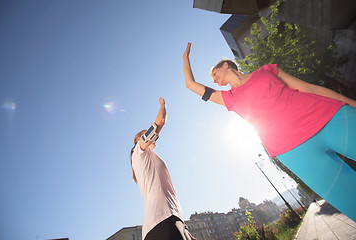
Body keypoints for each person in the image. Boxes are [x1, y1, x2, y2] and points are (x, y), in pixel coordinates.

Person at [182, 42, 356, 222]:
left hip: (328, 117)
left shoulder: (265, 71)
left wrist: (352, 103)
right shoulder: (229, 98)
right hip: (293, 151)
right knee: (350, 200)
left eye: (215, 74)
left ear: (225, 65)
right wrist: (185, 58)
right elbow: (191, 85)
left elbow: (309, 88)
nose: (214, 80)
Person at [130, 97, 194, 240]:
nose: (155, 138)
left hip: (171, 218)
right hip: (161, 220)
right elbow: (160, 123)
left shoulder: (148, 158)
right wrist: (163, 105)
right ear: (140, 140)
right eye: (147, 136)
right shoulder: (138, 152)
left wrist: (183, 229)